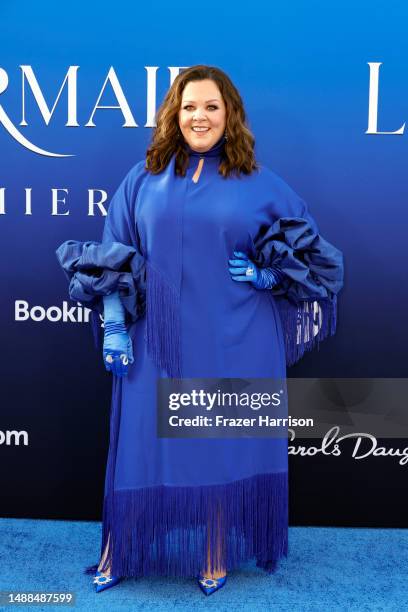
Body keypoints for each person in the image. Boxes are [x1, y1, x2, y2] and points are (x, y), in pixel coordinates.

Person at [56, 65, 343, 596]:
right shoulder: (142, 177)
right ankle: (122, 549)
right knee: (140, 442)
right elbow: (115, 254)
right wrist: (116, 324)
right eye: (190, 106)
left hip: (235, 337)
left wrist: (269, 274)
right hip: (154, 338)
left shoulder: (259, 182)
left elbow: (319, 259)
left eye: (211, 106)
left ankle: (215, 551)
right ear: (174, 113)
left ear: (230, 114)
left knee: (216, 442)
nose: (200, 116)